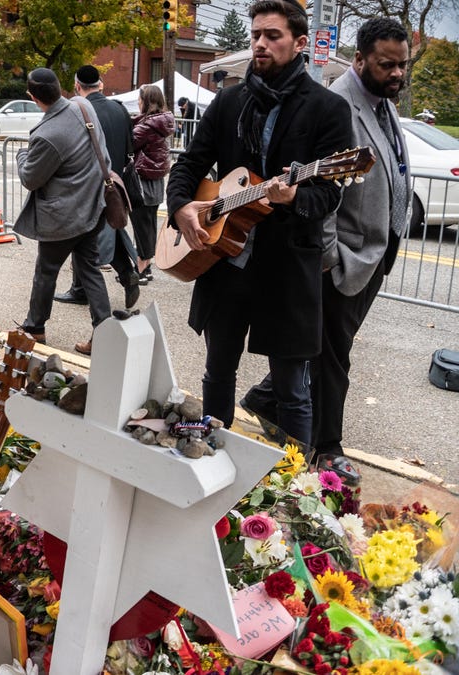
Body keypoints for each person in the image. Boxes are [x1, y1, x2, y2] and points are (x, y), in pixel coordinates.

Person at [166, 0, 352, 446]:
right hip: (225, 259)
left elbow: (330, 192)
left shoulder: (327, 108)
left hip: (287, 267)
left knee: (291, 387)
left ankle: (290, 484)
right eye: (255, 36)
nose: (260, 45)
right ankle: (209, 455)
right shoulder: (230, 100)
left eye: (273, 36)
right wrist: (181, 208)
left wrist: (294, 197)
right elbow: (190, 165)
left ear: (300, 42)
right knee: (218, 371)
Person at [240, 17, 411, 483]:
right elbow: (325, 189)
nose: (396, 73)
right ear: (359, 60)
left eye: (402, 65)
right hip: (345, 258)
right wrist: (330, 257)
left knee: (328, 348)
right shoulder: (340, 104)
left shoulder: (383, 104)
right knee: (335, 356)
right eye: (385, 64)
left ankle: (266, 398)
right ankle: (327, 448)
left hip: (374, 255)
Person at [14, 67, 112, 351]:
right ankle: (105, 333)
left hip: (63, 216)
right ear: (60, 86)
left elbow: (30, 178)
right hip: (93, 205)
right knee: (90, 269)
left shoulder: (48, 134)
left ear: (33, 97)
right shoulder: (83, 107)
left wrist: (22, 155)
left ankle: (35, 327)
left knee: (46, 271)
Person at [54, 64, 141, 352]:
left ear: (77, 85)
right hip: (116, 181)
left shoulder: (79, 110)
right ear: (101, 84)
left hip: (90, 181)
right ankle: (125, 273)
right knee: (107, 232)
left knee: (86, 237)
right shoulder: (118, 109)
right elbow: (132, 144)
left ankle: (82, 289)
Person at [130, 84, 175, 283]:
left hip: (142, 179)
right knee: (148, 225)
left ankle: (140, 269)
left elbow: (128, 142)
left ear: (146, 101)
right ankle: (146, 267)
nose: (138, 102)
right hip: (156, 180)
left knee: (141, 224)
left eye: (140, 99)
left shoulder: (146, 127)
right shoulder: (161, 122)